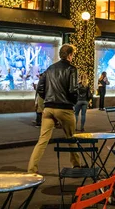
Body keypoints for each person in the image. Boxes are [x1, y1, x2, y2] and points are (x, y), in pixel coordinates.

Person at [28, 44, 81, 173]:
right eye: (72, 54)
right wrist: (72, 102)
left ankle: (31, 169)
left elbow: (40, 88)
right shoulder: (71, 69)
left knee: (42, 140)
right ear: (69, 55)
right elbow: (73, 90)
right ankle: (77, 165)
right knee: (71, 137)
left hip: (48, 108)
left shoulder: (50, 69)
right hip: (65, 108)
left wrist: (48, 99)